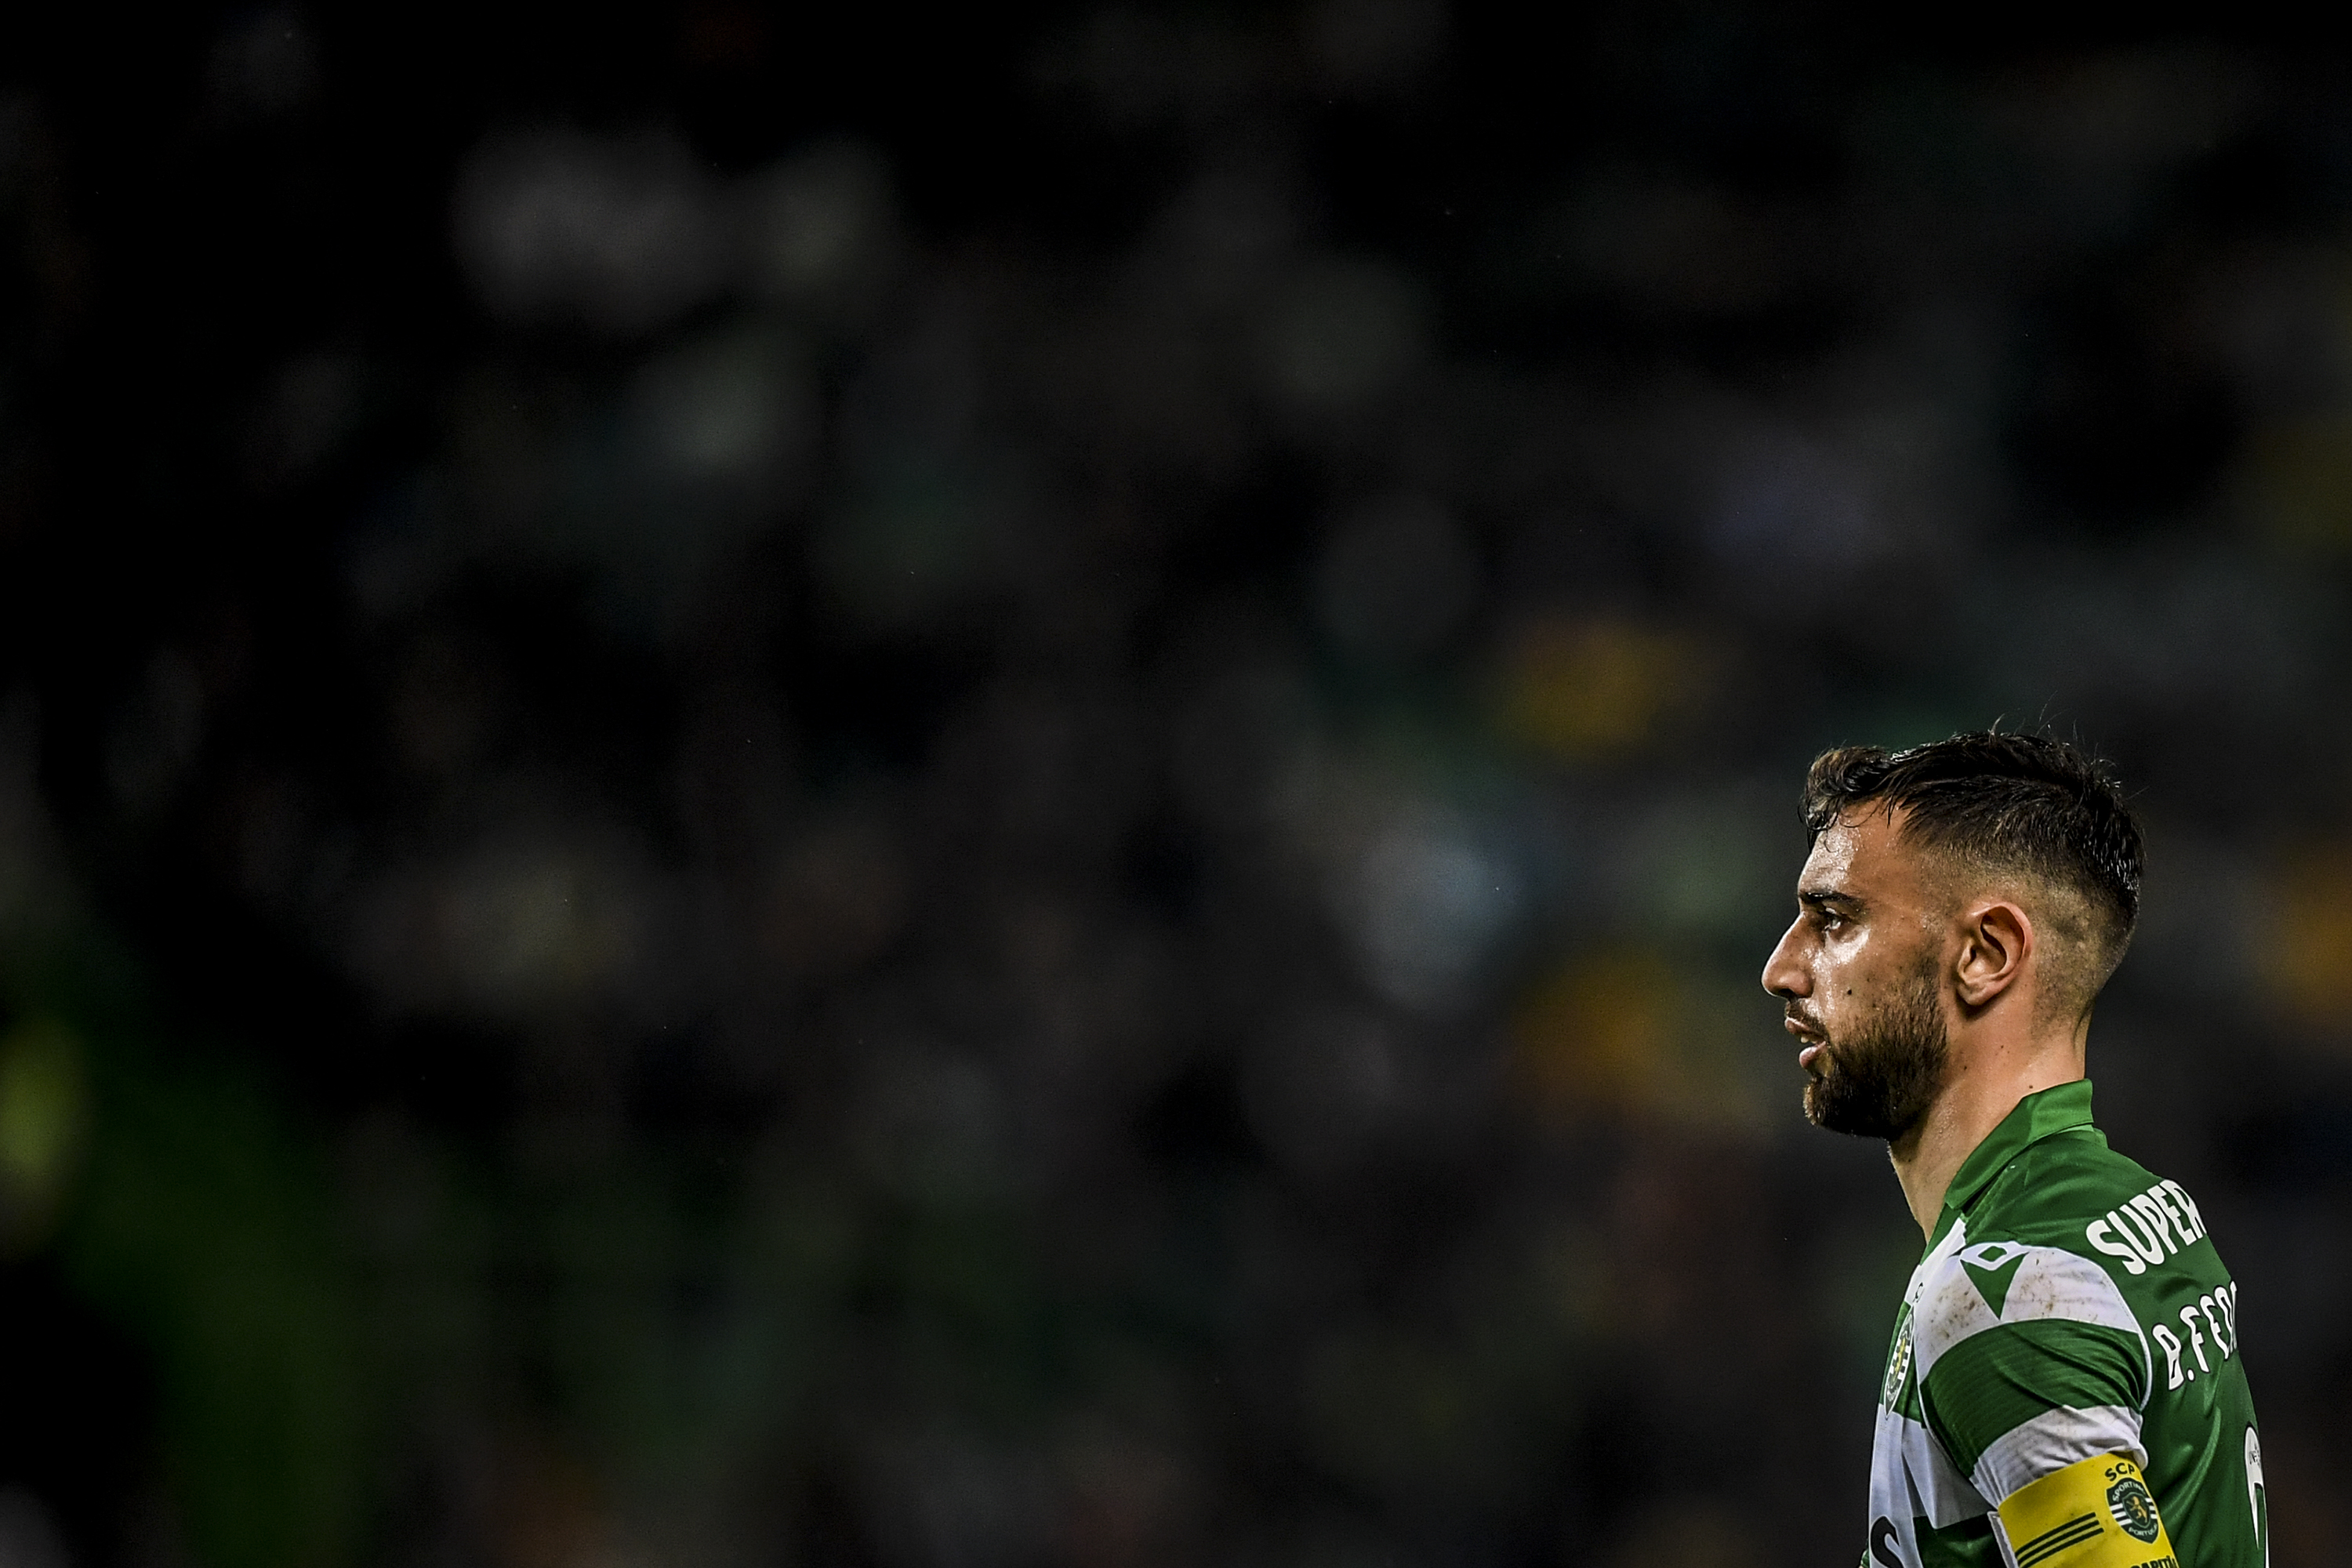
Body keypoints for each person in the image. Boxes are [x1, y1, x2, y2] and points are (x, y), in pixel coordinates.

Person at [1761, 732, 2265, 1568]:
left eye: (1835, 917)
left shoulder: (2006, 1290)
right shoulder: (2133, 1205)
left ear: (1986, 953)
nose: (1784, 966)